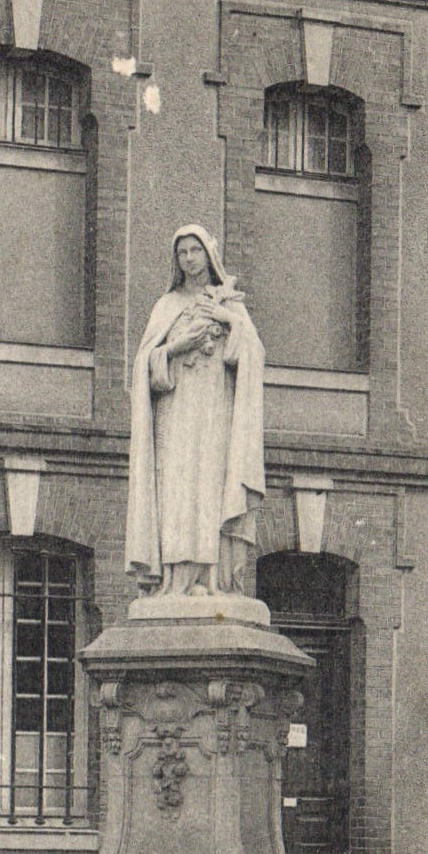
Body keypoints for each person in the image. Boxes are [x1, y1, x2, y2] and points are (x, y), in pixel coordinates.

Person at [125, 224, 265, 597]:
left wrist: (226, 319)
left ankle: (212, 578)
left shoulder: (229, 301)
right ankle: (175, 580)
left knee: (210, 487)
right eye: (182, 252)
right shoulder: (166, 305)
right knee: (177, 491)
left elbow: (251, 355)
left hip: (214, 413)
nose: (188, 258)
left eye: (195, 250)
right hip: (175, 415)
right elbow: (143, 368)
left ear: (209, 254)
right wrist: (175, 347)